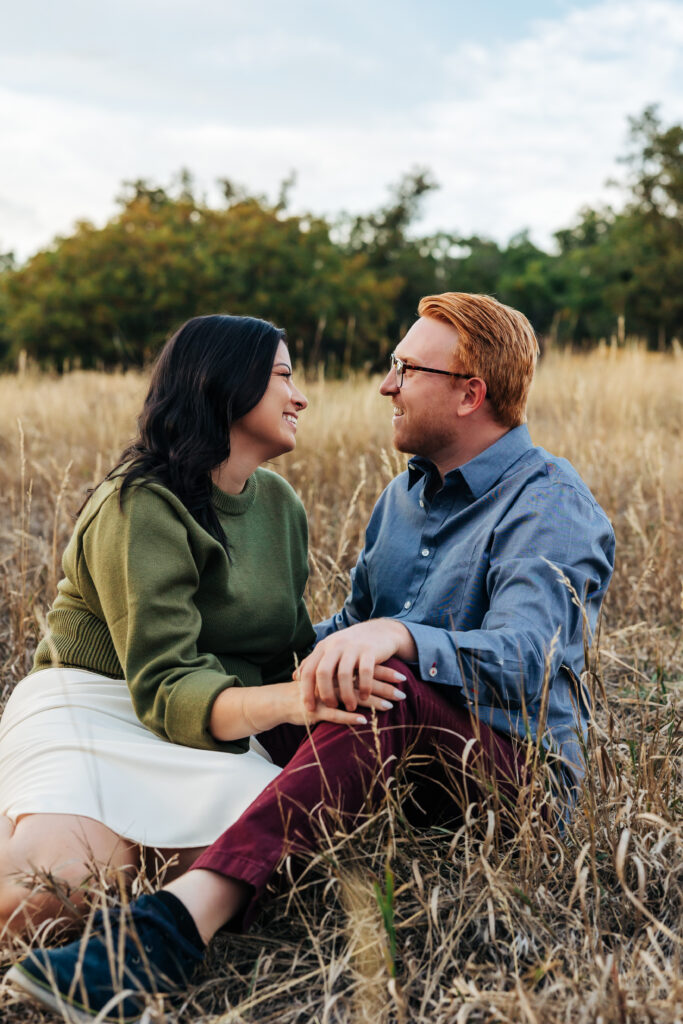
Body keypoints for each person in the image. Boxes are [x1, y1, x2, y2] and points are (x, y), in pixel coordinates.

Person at [8, 293, 615, 1023]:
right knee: (320, 695)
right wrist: (278, 676)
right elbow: (341, 632)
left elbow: (530, 657)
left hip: (506, 779)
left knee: (379, 688)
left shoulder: (547, 502)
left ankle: (168, 932)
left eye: (404, 368)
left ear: (468, 393)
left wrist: (398, 637)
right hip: (386, 763)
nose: (384, 385)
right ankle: (117, 849)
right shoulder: (401, 500)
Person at [0, 313, 405, 938]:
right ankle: (58, 832)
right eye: (281, 377)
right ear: (225, 385)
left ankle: (98, 845)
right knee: (54, 895)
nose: (300, 396)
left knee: (280, 873)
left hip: (216, 732)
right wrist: (293, 699)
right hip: (103, 708)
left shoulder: (280, 506)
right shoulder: (140, 503)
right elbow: (165, 685)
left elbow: (282, 655)